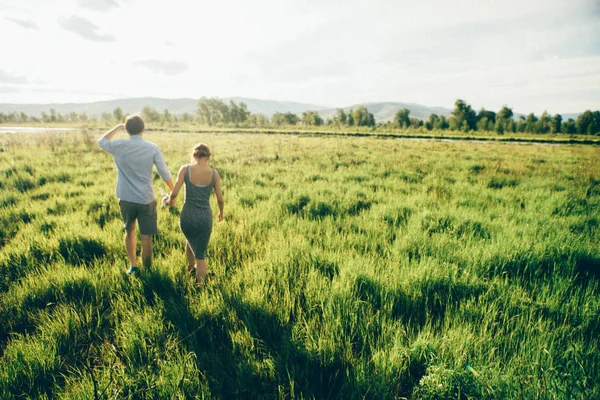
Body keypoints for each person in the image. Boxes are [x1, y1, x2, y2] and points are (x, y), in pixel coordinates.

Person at [97, 115, 174, 274]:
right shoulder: (152, 148)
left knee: (129, 231)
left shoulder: (118, 145)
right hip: (146, 198)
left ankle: (133, 266)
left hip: (125, 198)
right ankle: (148, 271)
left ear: (127, 130)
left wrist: (118, 128)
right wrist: (173, 192)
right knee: (147, 237)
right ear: (143, 129)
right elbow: (164, 172)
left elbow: (101, 141)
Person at [166, 143, 224, 286]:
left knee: (190, 240)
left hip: (187, 216)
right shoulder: (214, 174)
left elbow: (174, 193)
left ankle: (192, 270)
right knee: (200, 253)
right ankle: (200, 285)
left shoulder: (185, 169)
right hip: (205, 217)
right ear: (208, 157)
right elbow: (220, 198)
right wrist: (221, 212)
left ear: (194, 155)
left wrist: (169, 200)